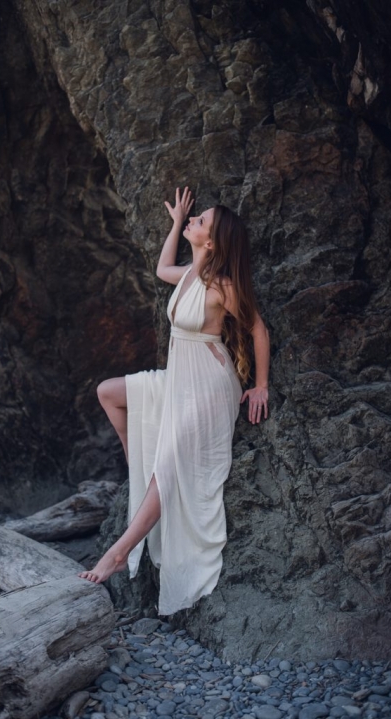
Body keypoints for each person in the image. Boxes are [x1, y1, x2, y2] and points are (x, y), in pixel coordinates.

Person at [78, 187, 270, 615]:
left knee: (170, 465)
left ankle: (116, 552)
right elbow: (164, 265)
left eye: (200, 221)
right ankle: (141, 471)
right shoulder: (188, 275)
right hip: (178, 378)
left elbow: (258, 329)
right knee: (108, 392)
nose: (194, 220)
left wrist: (260, 385)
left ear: (212, 241)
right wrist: (175, 223)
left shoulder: (222, 287)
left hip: (208, 387)